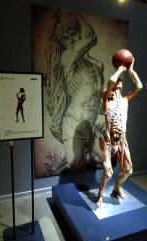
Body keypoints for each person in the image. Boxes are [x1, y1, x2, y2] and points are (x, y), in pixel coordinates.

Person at [44, 10, 105, 173]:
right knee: (75, 167)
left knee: (107, 156)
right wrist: (73, 13)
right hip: (72, 124)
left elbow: (94, 98)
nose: (70, 41)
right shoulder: (67, 59)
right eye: (64, 38)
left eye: (72, 35)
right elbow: (91, 37)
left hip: (90, 126)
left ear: (78, 33)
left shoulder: (97, 65)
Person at [96, 59, 143, 207]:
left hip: (122, 140)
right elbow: (110, 82)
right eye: (117, 83)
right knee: (108, 173)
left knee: (128, 170)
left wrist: (131, 70)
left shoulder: (125, 101)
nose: (118, 84)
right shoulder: (106, 100)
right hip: (110, 142)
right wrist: (119, 71)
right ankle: (100, 195)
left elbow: (139, 86)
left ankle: (117, 188)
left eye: (120, 84)